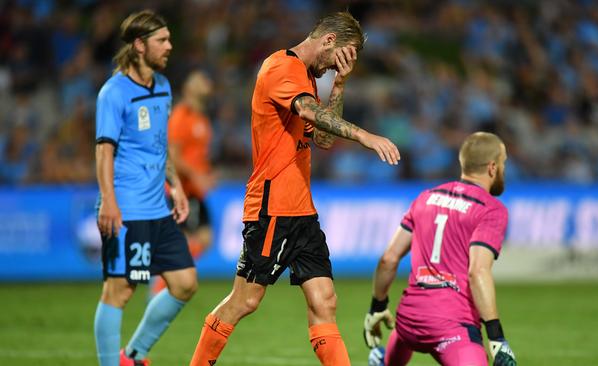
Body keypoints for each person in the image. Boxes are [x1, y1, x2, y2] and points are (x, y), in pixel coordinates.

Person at [189, 11, 400, 366]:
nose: (339, 64)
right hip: (272, 205)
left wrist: (341, 84)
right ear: (328, 41)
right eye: (341, 56)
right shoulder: (280, 67)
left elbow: (323, 139)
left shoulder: (307, 77)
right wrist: (365, 135)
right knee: (245, 301)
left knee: (324, 301)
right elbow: (310, 113)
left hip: (301, 209)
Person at [94, 10, 197, 366]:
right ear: (139, 45)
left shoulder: (164, 86)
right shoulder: (114, 92)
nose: (169, 46)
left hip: (158, 207)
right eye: (161, 41)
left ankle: (132, 355)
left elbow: (159, 142)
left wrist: (177, 185)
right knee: (119, 290)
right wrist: (108, 201)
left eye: (169, 39)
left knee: (185, 283)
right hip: (126, 207)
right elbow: (104, 150)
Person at [363, 132, 517, 366]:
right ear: (493, 167)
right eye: (503, 163)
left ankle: (383, 361)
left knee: (402, 338)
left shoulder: (426, 198)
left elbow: (389, 259)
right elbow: (478, 272)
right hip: (451, 326)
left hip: (409, 321)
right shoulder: (491, 210)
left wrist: (377, 306)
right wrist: (496, 337)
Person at [150, 70, 217, 295]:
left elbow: (198, 156)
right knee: (188, 242)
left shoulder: (202, 119)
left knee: (204, 239)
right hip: (180, 190)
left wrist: (206, 174)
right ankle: (161, 281)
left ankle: (164, 275)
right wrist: (197, 176)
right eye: (200, 79)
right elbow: (174, 157)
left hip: (195, 191)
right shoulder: (181, 116)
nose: (206, 81)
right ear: (188, 88)